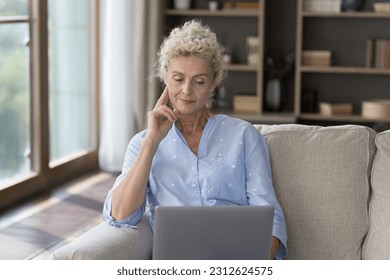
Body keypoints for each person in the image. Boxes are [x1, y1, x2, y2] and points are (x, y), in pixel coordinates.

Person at [103, 20, 287, 259]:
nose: (187, 90)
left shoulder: (244, 136)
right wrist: (151, 143)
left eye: (199, 81)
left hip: (236, 259)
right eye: (178, 79)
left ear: (213, 83)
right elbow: (120, 215)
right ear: (165, 78)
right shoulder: (142, 143)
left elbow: (270, 216)